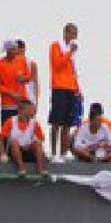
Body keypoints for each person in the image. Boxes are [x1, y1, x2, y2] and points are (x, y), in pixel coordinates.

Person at [48, 23, 81, 163]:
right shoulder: (56, 46)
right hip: (59, 87)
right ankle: (53, 152)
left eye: (76, 34)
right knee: (56, 122)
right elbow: (58, 64)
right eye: (73, 33)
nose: (75, 37)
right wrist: (69, 53)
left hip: (71, 88)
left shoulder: (71, 51)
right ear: (65, 32)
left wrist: (78, 88)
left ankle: (63, 152)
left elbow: (73, 70)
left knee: (68, 123)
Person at [0, 99, 47, 175]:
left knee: (37, 143)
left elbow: (41, 138)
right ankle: (21, 169)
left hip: (29, 150)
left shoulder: (34, 123)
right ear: (23, 110)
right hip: (14, 152)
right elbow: (1, 138)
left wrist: (33, 143)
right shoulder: (10, 121)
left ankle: (41, 170)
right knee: (14, 142)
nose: (33, 111)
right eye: (31, 109)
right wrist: (2, 154)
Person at [0, 40, 31, 126]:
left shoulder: (21, 61)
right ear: (8, 51)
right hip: (7, 104)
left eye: (16, 49)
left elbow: (29, 76)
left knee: (22, 129)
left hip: (22, 103)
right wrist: (11, 93)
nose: (16, 52)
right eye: (14, 50)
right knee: (7, 130)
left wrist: (24, 78)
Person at [16, 39, 39, 111]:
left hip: (29, 97)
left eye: (22, 48)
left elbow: (36, 83)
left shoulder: (31, 63)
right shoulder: (12, 63)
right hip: (17, 97)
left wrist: (36, 101)